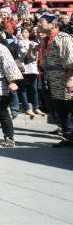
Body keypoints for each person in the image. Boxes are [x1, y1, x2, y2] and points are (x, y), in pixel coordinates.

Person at [37, 13, 73, 147]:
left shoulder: (63, 37)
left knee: (69, 107)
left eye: (42, 22)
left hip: (64, 78)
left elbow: (70, 59)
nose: (39, 24)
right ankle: (68, 137)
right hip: (52, 80)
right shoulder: (44, 40)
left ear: (52, 24)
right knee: (60, 109)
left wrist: (71, 78)